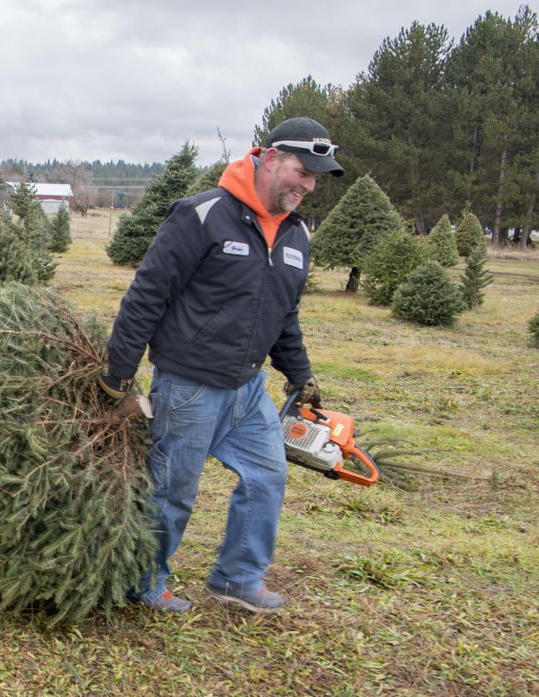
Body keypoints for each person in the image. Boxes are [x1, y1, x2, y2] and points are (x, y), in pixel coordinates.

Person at [98, 117, 343, 613]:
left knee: (268, 476)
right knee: (172, 491)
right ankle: (143, 582)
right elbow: (146, 296)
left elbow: (283, 314)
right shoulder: (202, 215)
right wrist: (117, 376)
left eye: (316, 178)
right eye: (302, 171)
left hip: (248, 389)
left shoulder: (297, 237)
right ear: (270, 158)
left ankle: (236, 577)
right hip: (189, 386)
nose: (309, 186)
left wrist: (300, 374)